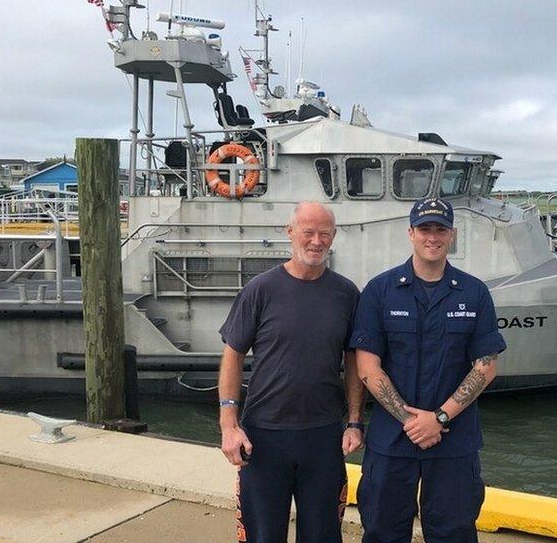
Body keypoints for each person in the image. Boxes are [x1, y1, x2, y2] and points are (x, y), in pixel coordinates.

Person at [351, 197, 507, 543]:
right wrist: (411, 421)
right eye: (424, 229)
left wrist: (438, 418)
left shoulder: (475, 292)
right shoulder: (380, 291)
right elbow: (367, 366)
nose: (432, 237)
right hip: (392, 441)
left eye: (440, 229)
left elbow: (486, 365)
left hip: (453, 442)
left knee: (454, 534)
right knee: (382, 533)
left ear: (452, 235)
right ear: (411, 233)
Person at [217, 201, 365, 543]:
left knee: (324, 535)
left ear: (333, 237)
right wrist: (229, 424)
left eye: (324, 234)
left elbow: (354, 360)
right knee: (262, 535)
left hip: (324, 436)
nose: (316, 241)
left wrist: (355, 421)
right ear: (290, 232)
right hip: (264, 436)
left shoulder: (346, 293)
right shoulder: (260, 290)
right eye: (308, 232)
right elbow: (233, 354)